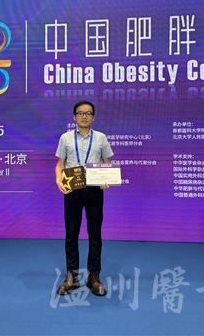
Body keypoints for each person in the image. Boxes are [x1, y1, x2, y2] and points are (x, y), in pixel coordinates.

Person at [55, 101, 114, 296]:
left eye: (88, 113)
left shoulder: (101, 138)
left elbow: (107, 163)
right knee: (71, 233)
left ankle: (94, 276)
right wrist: (58, 179)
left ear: (93, 117)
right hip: (72, 189)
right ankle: (72, 276)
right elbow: (60, 164)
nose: (84, 116)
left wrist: (106, 179)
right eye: (80, 113)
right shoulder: (65, 138)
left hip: (94, 190)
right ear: (74, 117)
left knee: (95, 233)